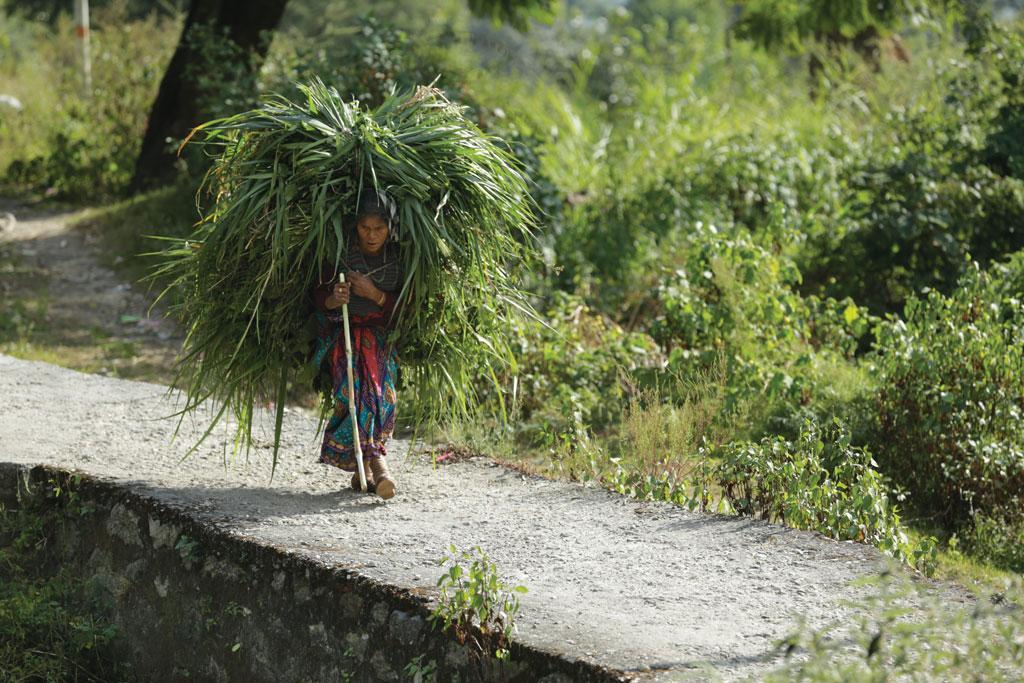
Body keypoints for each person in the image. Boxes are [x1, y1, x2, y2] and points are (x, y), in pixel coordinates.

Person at [311, 191, 403, 499]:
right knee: (358, 394)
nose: (372, 235)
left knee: (382, 398)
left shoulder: (400, 261)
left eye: (379, 229)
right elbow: (316, 300)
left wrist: (373, 293)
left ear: (391, 227)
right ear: (356, 227)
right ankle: (380, 469)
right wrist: (335, 298)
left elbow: (407, 309)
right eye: (365, 228)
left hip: (381, 342)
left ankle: (362, 469)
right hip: (346, 338)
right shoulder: (341, 254)